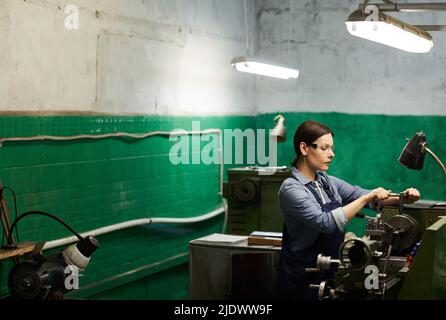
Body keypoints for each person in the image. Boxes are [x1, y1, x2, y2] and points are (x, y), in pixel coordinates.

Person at [276, 120, 420, 300]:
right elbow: (325, 223)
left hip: (330, 269)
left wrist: (402, 198)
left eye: (332, 148)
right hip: (303, 275)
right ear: (304, 148)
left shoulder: (325, 181)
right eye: (324, 148)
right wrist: (366, 198)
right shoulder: (292, 189)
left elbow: (360, 194)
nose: (332, 154)